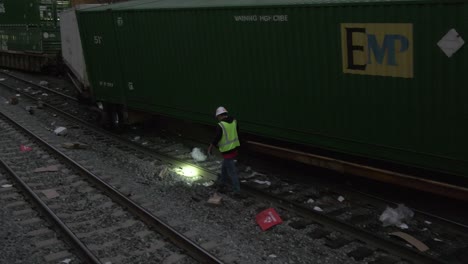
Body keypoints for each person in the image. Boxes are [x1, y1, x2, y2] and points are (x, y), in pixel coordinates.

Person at [208, 106, 241, 193]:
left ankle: (237, 190)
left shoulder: (221, 125)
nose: (218, 119)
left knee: (232, 172)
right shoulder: (234, 121)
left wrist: (211, 146)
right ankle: (222, 184)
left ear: (219, 116)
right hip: (234, 148)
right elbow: (237, 132)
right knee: (224, 168)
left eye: (217, 117)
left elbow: (217, 138)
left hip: (227, 151)